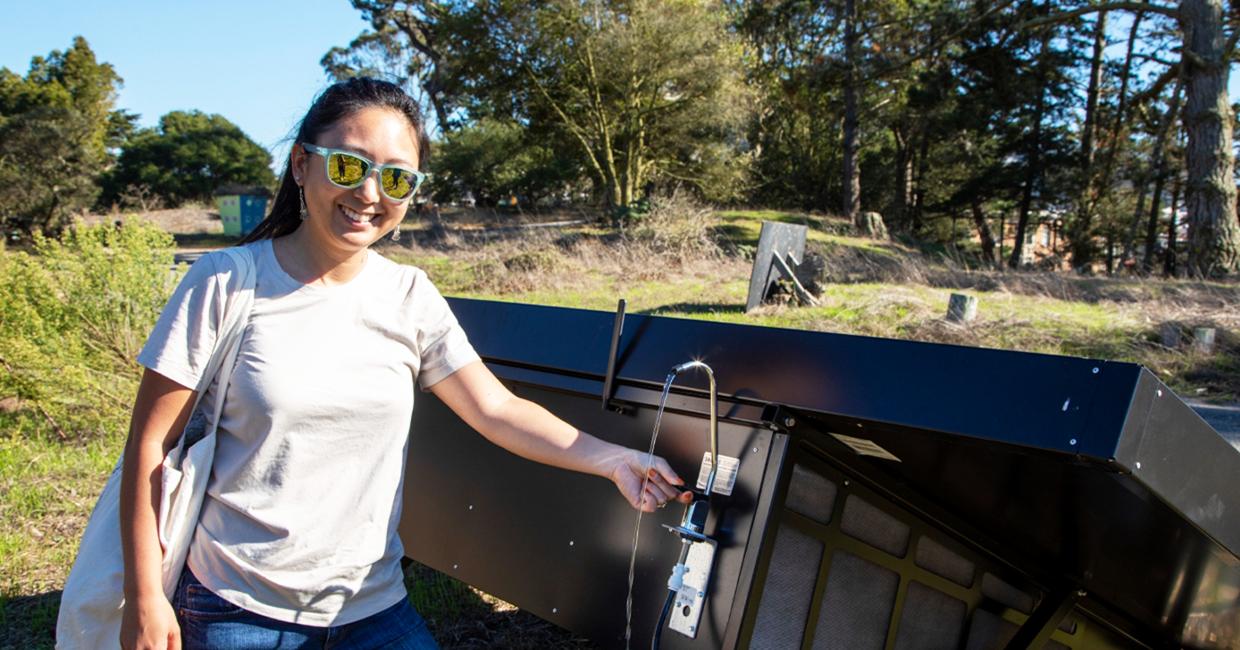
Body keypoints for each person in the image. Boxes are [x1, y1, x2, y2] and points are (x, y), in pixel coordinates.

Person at [118, 78, 692, 650]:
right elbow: (151, 447)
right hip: (236, 608)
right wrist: (146, 599)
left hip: (371, 606)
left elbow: (496, 409)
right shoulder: (225, 282)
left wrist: (615, 460)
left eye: (396, 178)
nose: (370, 193)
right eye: (348, 166)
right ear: (301, 165)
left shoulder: (409, 295)